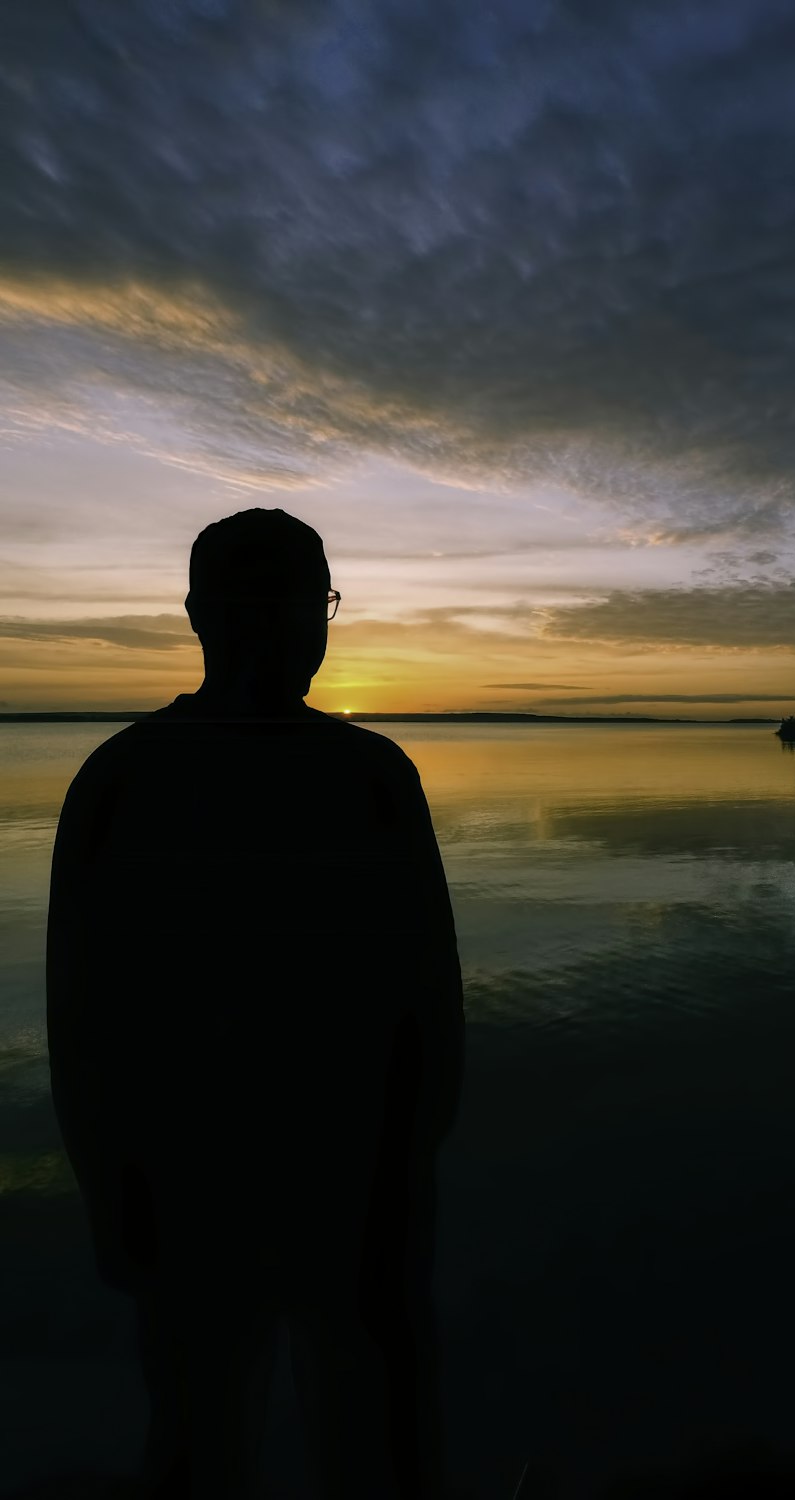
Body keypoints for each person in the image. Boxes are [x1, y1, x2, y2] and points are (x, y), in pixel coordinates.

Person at [45, 508, 466, 1499]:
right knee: (303, 1448)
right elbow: (435, 1017)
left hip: (290, 1197)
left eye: (308, 601)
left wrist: (112, 1199)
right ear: (202, 613)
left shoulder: (122, 778)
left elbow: (79, 1027)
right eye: (291, 602)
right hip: (291, 1199)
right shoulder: (362, 777)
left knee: (247, 1443)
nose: (296, 628)